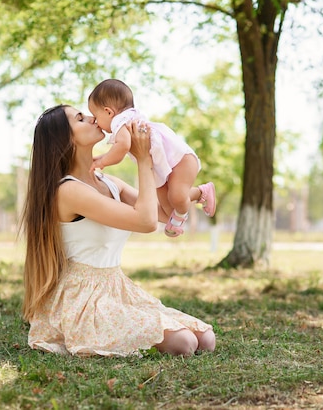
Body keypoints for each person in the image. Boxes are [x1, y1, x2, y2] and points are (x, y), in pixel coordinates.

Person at [20, 104, 216, 357]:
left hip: (116, 288)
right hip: (82, 300)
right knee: (184, 344)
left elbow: (164, 213)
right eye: (81, 118)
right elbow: (145, 222)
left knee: (206, 338)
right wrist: (142, 160)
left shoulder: (108, 182)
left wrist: (161, 160)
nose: (93, 119)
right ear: (65, 139)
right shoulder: (68, 190)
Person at [88, 79, 216, 237]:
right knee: (168, 208)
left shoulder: (119, 122)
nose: (94, 121)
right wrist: (102, 157)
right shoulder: (126, 119)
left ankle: (196, 197)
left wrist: (102, 161)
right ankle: (191, 201)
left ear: (109, 112)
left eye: (95, 115)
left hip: (178, 160)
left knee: (176, 197)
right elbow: (118, 148)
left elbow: (122, 146)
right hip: (158, 166)